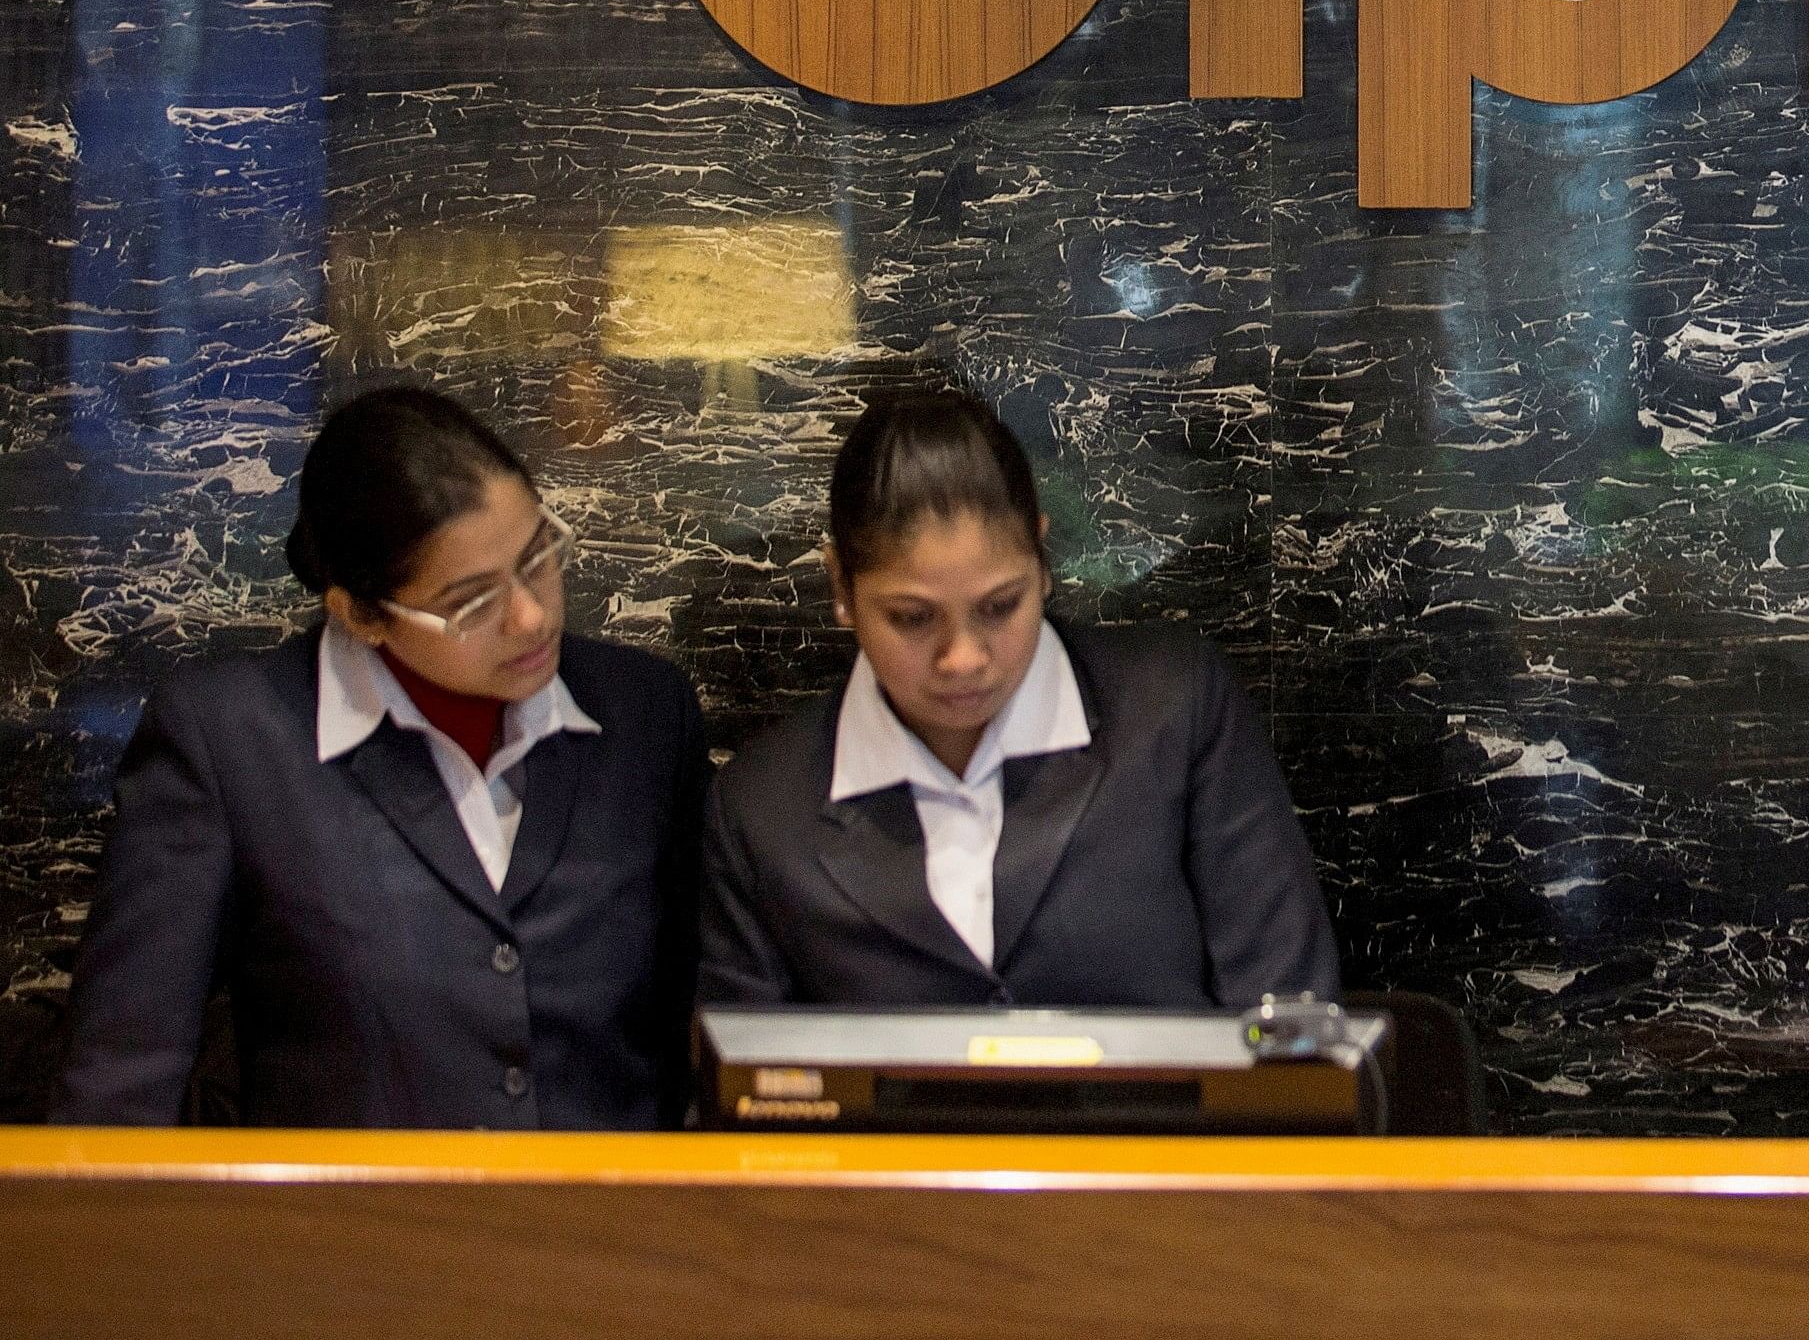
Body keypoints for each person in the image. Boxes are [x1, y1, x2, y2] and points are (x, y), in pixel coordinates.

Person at [55, 386, 706, 1127]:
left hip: (616, 1229)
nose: (530, 614)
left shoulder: (644, 714)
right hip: (345, 1233)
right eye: (471, 602)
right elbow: (124, 1074)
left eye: (539, 557)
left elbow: (708, 1026)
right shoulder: (233, 739)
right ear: (361, 614)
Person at [701, 389, 1337, 1010]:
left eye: (1000, 606)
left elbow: (1289, 1018)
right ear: (841, 586)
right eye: (913, 618)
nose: (964, 658)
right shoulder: (763, 808)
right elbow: (745, 1081)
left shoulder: (1173, 710)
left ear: (1041, 557)